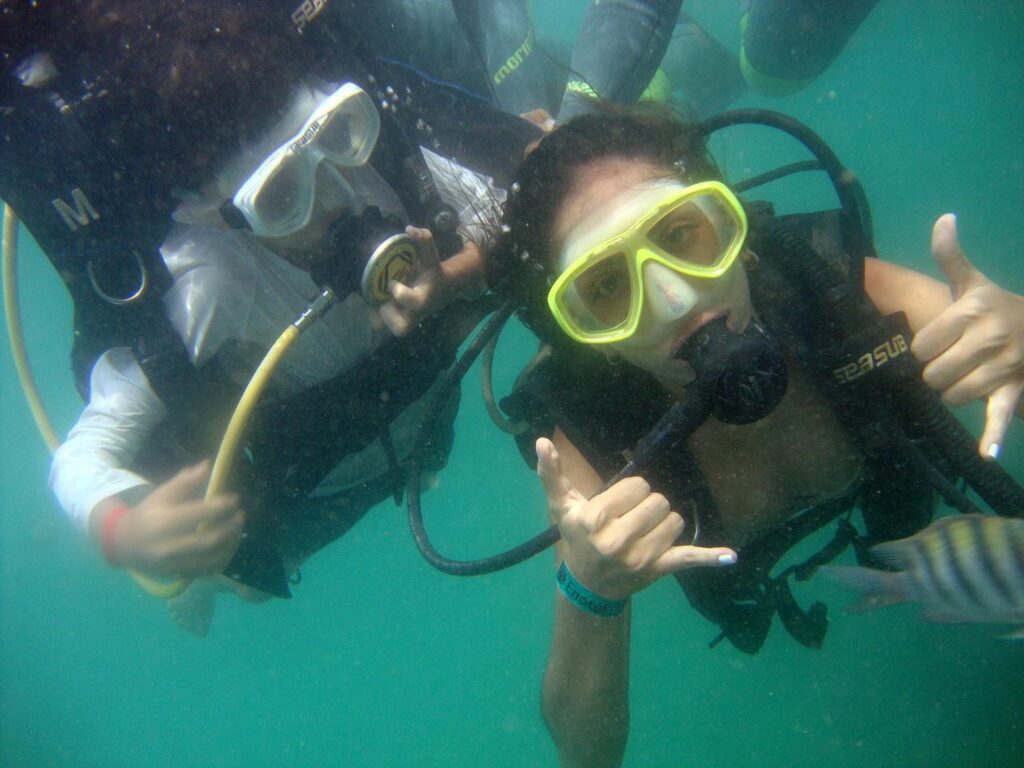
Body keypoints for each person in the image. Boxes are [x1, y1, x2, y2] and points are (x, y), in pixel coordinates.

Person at [486, 104, 1024, 767]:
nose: (678, 302)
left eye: (681, 235)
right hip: (743, 586)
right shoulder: (589, 431)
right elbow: (586, 751)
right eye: (605, 287)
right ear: (579, 334)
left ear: (728, 223)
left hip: (897, 508)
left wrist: (1019, 336)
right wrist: (589, 588)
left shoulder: (823, 282)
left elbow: (991, 345)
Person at [2, 0, 538, 633]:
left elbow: (533, 211)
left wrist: (450, 277)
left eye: (338, 137)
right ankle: (205, 593)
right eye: (283, 195)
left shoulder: (388, 168)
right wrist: (125, 531)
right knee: (247, 583)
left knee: (430, 463)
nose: (337, 195)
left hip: (425, 422)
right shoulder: (210, 282)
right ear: (215, 214)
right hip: (312, 494)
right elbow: (83, 454)